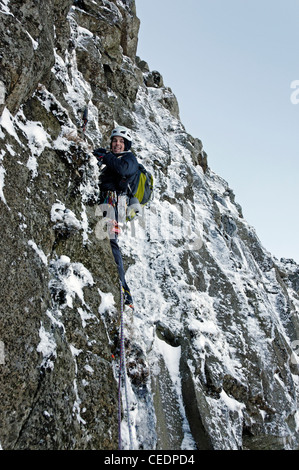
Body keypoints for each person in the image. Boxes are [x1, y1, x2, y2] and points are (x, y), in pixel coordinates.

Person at [93, 126, 139, 307]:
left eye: (121, 141)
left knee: (112, 241)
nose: (117, 144)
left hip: (115, 204)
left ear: (126, 144)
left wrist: (106, 156)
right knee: (108, 239)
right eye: (115, 141)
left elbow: (124, 170)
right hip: (106, 201)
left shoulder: (129, 159)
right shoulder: (112, 157)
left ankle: (124, 289)